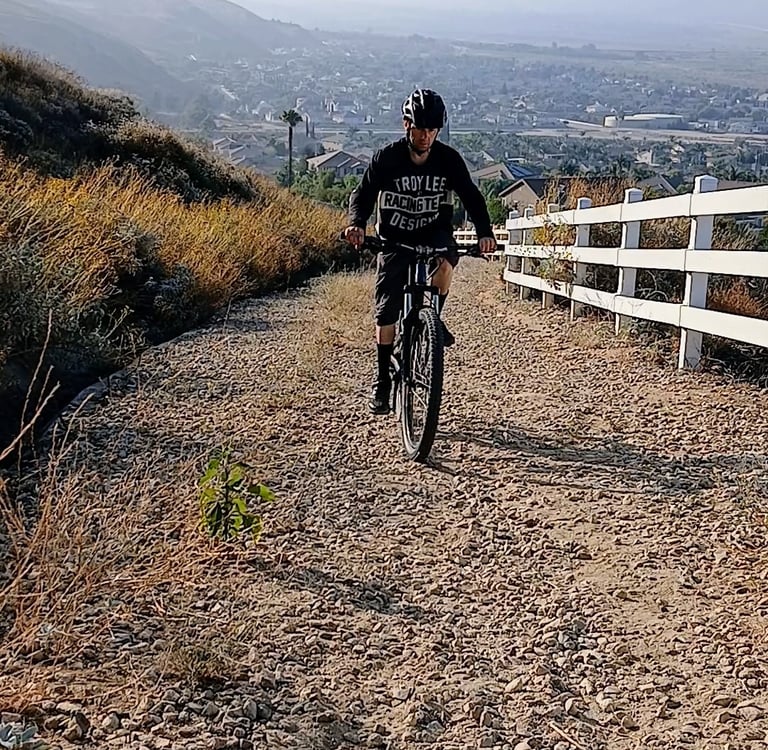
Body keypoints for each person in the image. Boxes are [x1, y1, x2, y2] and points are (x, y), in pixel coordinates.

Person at [343, 88, 497, 414]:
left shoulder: (448, 159)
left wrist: (485, 232)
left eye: (431, 129)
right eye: (419, 128)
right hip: (394, 236)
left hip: (434, 232)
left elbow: (471, 196)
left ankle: (434, 318)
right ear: (406, 125)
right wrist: (357, 224)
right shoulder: (387, 158)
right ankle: (382, 378)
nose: (425, 135)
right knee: (386, 312)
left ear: (438, 130)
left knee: (446, 261)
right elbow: (364, 193)